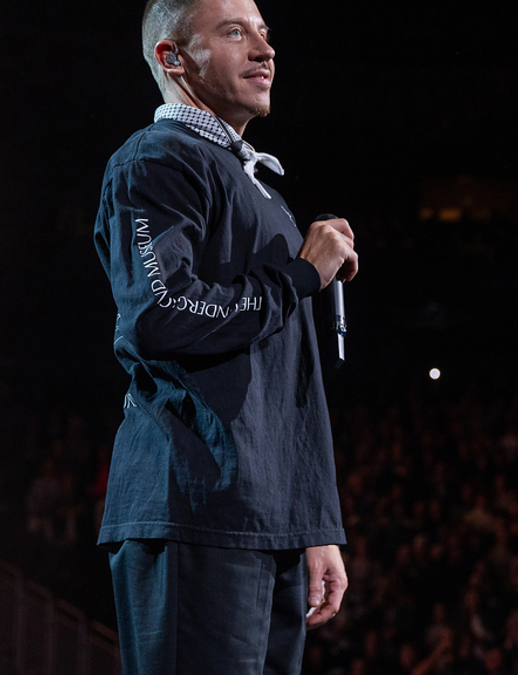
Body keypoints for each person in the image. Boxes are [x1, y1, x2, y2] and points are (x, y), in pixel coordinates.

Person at [92, 0, 357, 672]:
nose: (266, 51)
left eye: (266, 33)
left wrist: (315, 523)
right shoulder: (156, 160)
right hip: (195, 509)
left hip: (268, 522)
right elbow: (163, 311)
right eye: (235, 32)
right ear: (171, 57)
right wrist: (298, 276)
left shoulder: (262, 187)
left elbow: (289, 375)